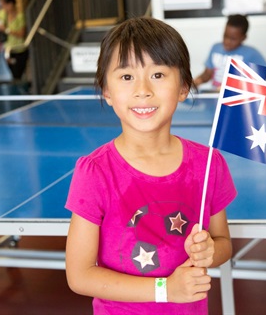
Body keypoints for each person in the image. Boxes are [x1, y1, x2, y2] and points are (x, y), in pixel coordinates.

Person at [65, 17, 237, 314]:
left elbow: (223, 243)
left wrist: (210, 250)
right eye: (127, 76)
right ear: (106, 90)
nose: (142, 90)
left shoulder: (209, 165)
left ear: (184, 87)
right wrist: (165, 290)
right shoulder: (94, 172)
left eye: (158, 75)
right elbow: (79, 275)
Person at [193, 14, 266, 91]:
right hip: (215, 95)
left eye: (233, 39)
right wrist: (196, 82)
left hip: (236, 98)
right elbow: (207, 74)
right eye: (225, 36)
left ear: (243, 38)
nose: (227, 41)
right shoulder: (215, 48)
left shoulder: (251, 53)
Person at [0, 0, 28, 80]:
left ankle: (20, 90)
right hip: (8, 49)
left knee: (18, 73)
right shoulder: (3, 14)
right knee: (13, 74)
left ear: (11, 4)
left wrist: (7, 30)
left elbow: (21, 33)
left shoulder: (20, 16)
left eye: (4, 4)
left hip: (19, 49)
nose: (3, 7)